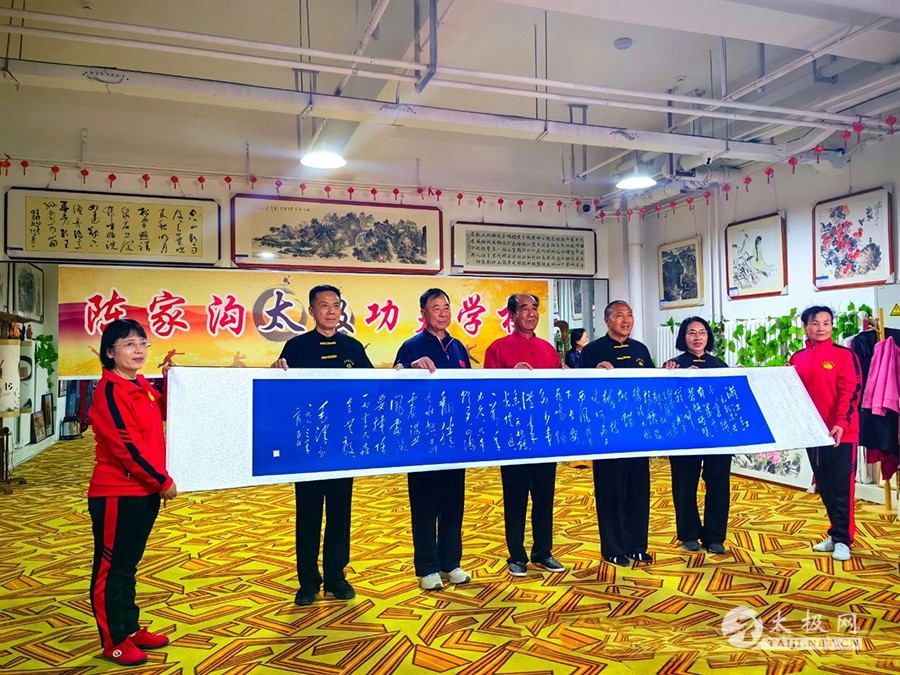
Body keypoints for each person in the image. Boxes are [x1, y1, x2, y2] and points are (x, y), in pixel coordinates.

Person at [274, 284, 373, 605]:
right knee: (308, 513)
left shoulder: (353, 347)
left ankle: (335, 578)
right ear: (312, 310)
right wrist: (276, 373)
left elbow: (372, 387)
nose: (331, 311)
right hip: (307, 447)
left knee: (340, 513)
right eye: (324, 305)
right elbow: (280, 393)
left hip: (342, 445)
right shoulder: (296, 347)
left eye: (336, 305)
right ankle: (307, 582)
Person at [88, 319, 177, 666]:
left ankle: (129, 628)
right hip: (116, 492)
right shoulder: (110, 392)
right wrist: (161, 480)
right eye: (129, 344)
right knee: (110, 569)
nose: (138, 350)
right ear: (110, 352)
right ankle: (114, 641)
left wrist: (172, 381)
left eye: (142, 343)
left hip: (143, 492)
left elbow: (166, 414)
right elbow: (127, 449)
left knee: (127, 565)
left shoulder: (141, 385)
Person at [393, 288, 472, 591]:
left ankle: (450, 562)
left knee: (453, 503)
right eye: (436, 308)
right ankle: (426, 567)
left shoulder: (458, 347)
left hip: (454, 439)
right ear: (423, 313)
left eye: (446, 307)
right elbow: (396, 386)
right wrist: (409, 369)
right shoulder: (411, 347)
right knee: (425, 505)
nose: (442, 313)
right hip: (423, 441)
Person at [484, 293, 566, 577]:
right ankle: (516, 555)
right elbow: (488, 394)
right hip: (514, 437)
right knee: (516, 498)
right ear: (512, 315)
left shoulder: (548, 349)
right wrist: (509, 374)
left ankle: (543, 552)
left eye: (534, 309)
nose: (531, 314)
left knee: (544, 497)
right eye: (524, 309)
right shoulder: (498, 349)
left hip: (544, 435)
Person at [579, 300, 655, 567]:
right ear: (606, 320)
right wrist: (594, 373)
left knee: (638, 489)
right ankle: (613, 548)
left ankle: (637, 546)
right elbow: (579, 390)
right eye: (619, 315)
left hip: (637, 431)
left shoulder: (640, 349)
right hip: (607, 433)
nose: (626, 320)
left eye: (629, 315)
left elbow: (652, 385)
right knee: (611, 490)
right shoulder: (592, 351)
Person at [789, 305, 862, 562]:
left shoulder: (844, 355)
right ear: (805, 327)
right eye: (815, 323)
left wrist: (841, 422)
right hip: (813, 433)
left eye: (826, 323)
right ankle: (836, 533)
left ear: (832, 326)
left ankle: (843, 539)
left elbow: (851, 391)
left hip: (841, 433)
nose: (821, 328)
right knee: (826, 486)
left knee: (842, 487)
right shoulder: (797, 358)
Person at [662, 317, 731, 554]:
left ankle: (715, 537)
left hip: (716, 435)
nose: (697, 337)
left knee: (719, 483)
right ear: (684, 337)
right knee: (684, 483)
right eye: (692, 333)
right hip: (684, 434)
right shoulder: (673, 365)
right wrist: (673, 376)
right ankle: (689, 533)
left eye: (702, 332)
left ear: (708, 337)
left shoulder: (720, 365)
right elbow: (665, 399)